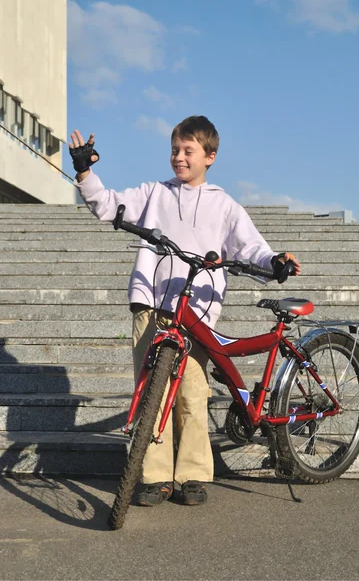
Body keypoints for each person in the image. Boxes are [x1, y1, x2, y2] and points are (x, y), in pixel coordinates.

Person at [69, 115, 301, 507]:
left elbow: (251, 248)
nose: (178, 157)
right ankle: (154, 475)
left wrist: (275, 260)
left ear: (209, 156)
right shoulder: (153, 193)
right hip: (152, 303)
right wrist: (85, 171)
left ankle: (192, 473)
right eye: (174, 150)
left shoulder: (224, 205)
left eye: (188, 151)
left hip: (197, 313)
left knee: (192, 393)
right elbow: (107, 206)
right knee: (151, 394)